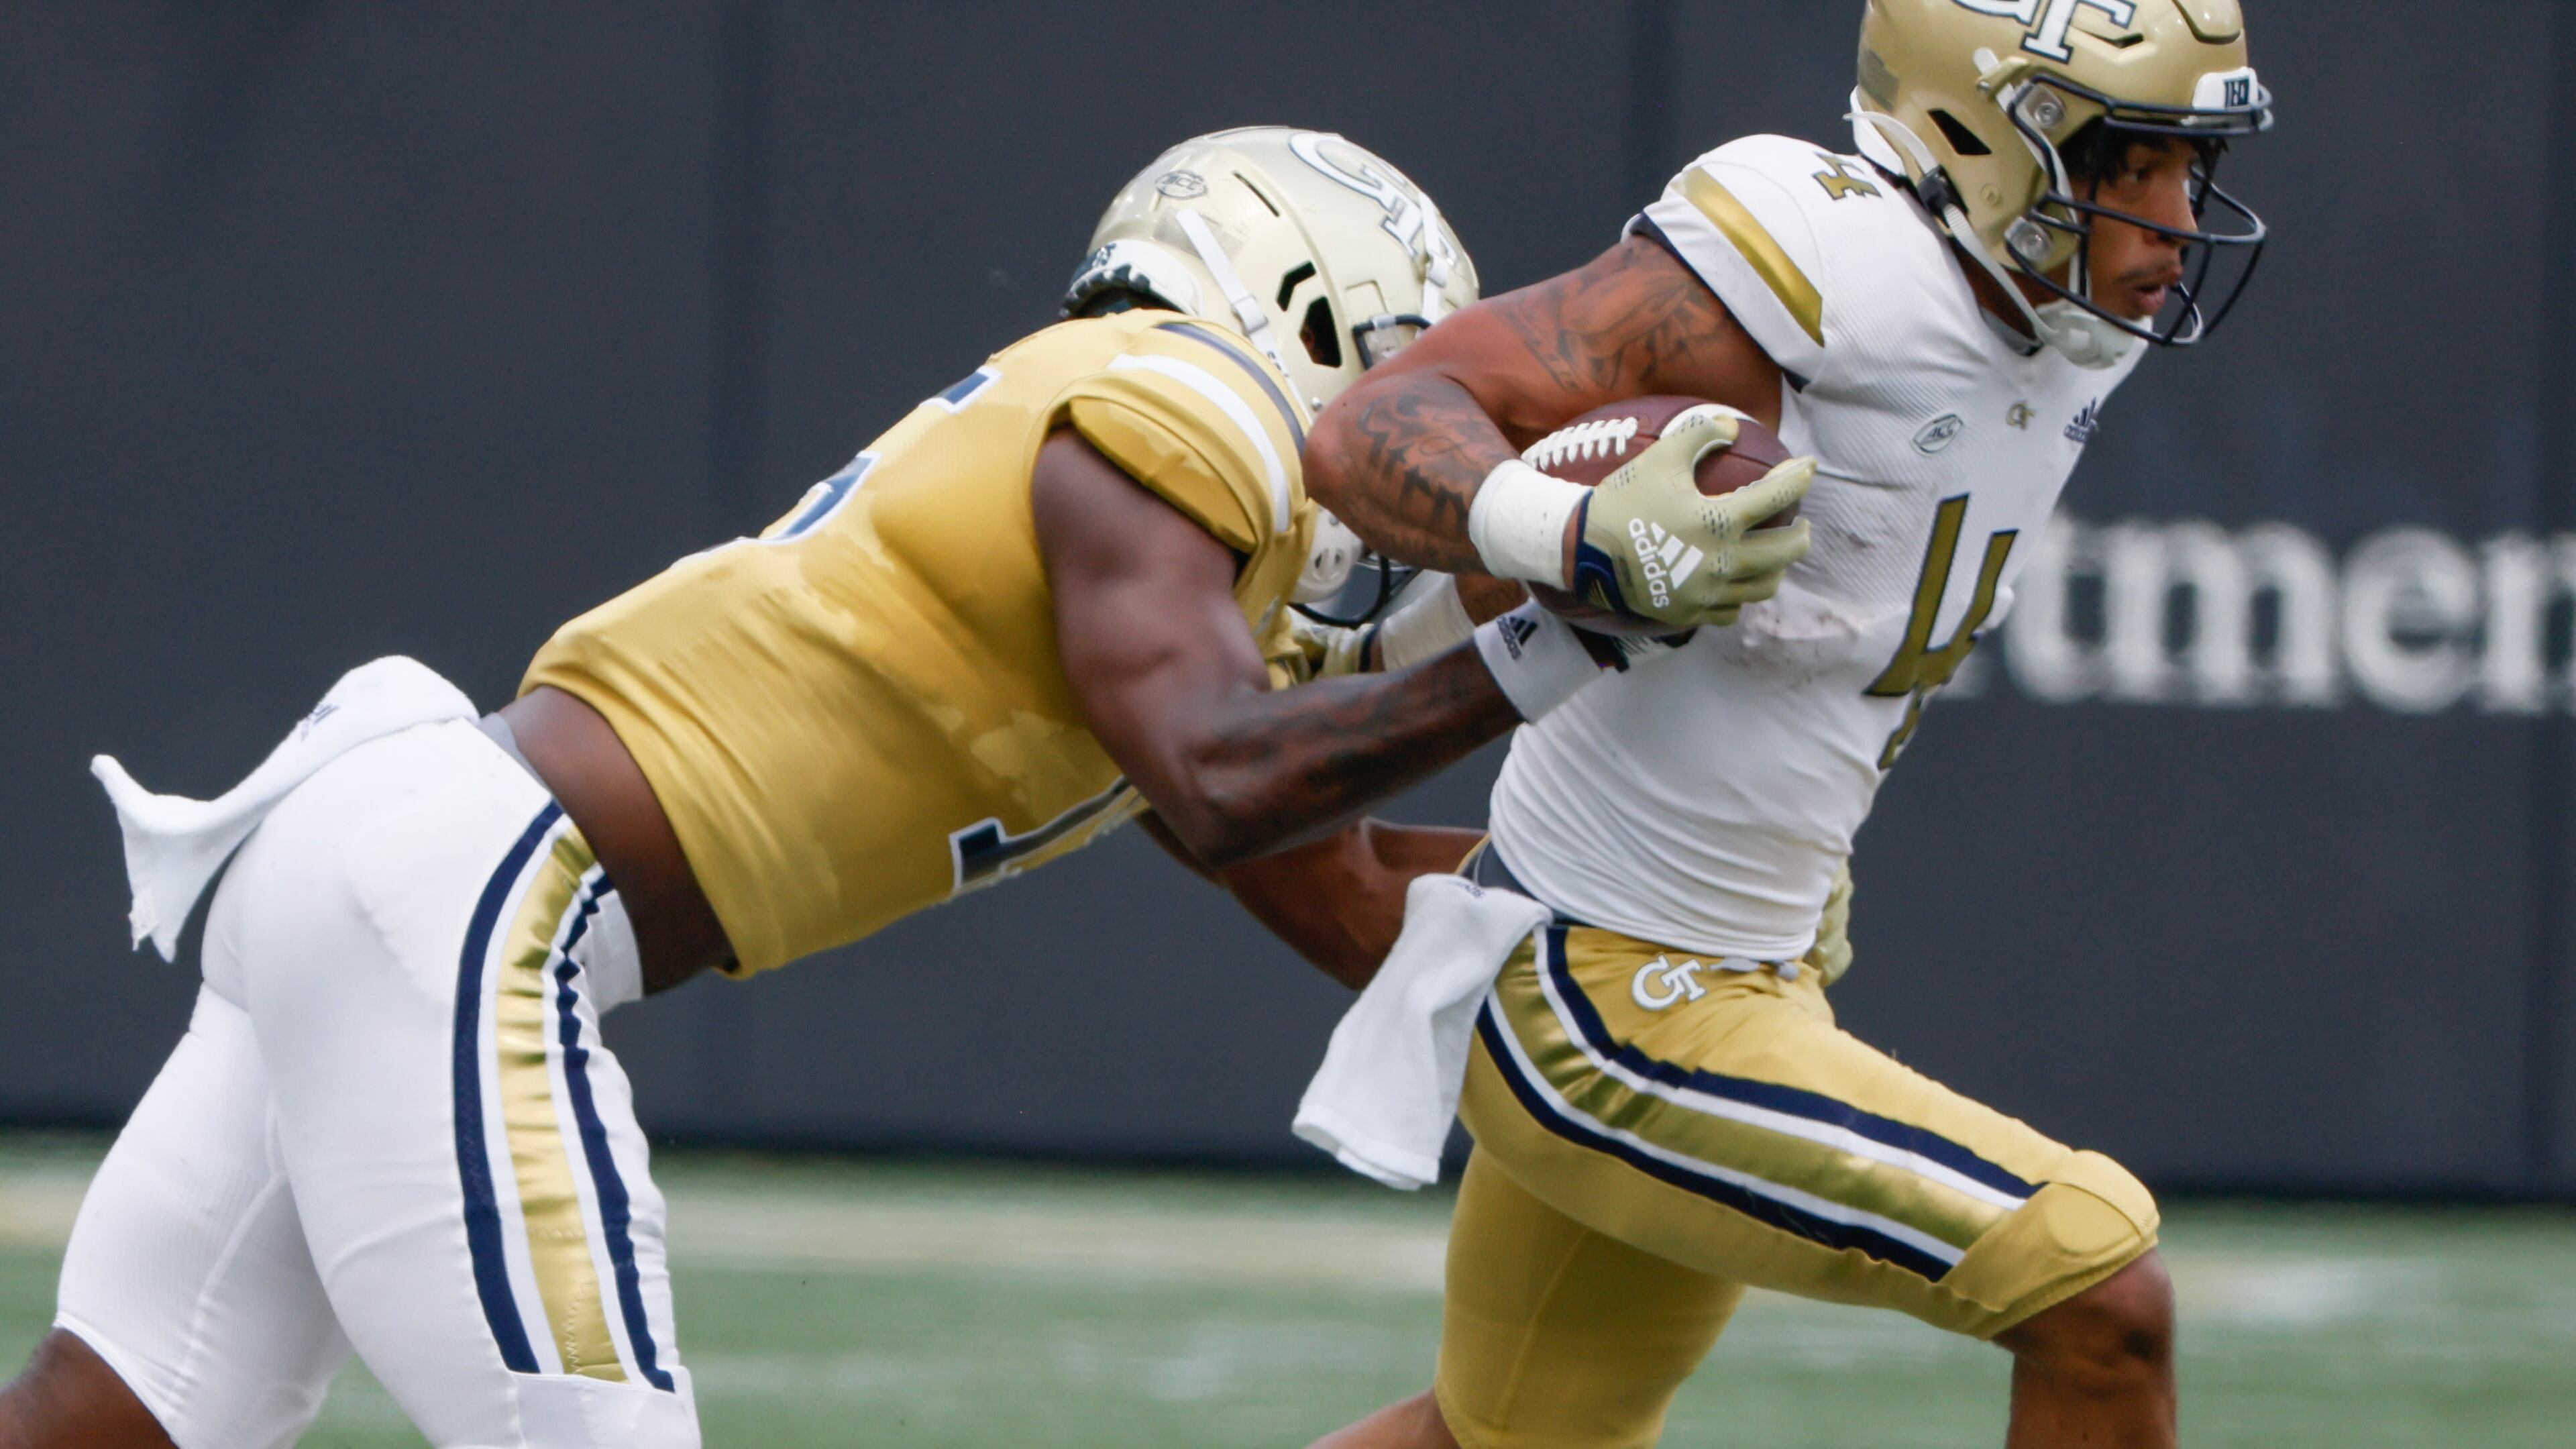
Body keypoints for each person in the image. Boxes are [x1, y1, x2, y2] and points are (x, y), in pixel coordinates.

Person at [0, 125, 1815, 1449]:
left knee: (115, 1415)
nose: (1413, 448)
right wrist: (1548, 635)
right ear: (1320, 322)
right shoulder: (1180, 414)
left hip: (392, 876)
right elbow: (1221, 779)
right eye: (1406, 380)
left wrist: (1687, 913)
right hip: (468, 904)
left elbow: (1346, 896)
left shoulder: (1170, 562)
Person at [1285, 3, 2274, 1446]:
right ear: (1973, 134)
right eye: (2130, 159)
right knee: (2095, 1280)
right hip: (1605, 992)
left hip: (1757, 951)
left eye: (2194, 164)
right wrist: (1570, 529)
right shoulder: (1821, 261)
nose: (2177, 219)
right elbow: (1375, 426)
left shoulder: (2059, 300)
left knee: (1503, 1440)